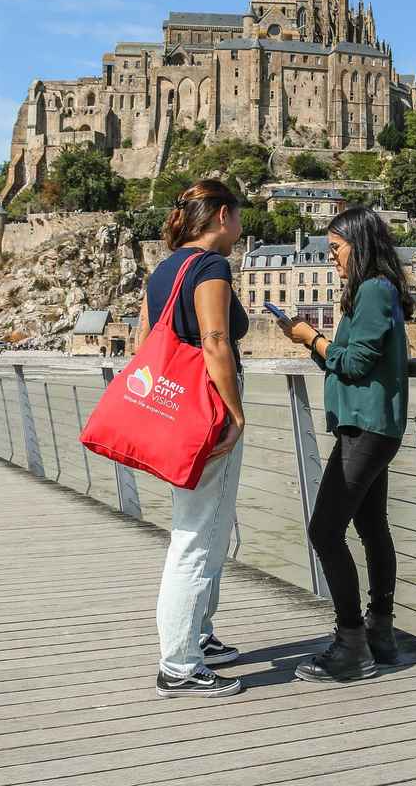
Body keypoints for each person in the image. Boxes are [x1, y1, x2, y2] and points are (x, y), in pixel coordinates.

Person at [276, 205, 413, 683]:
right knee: (372, 527)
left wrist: (310, 335)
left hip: (367, 429)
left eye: (336, 248)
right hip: (368, 424)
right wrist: (309, 344)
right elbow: (348, 364)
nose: (332, 257)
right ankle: (381, 635)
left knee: (324, 531)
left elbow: (353, 365)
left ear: (360, 244)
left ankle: (351, 644)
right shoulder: (375, 291)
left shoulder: (374, 290)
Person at [144, 179, 249, 699]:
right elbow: (214, 339)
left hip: (174, 409)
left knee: (201, 528)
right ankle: (179, 664)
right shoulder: (211, 267)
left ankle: (197, 637)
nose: (242, 229)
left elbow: (149, 340)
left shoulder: (163, 270)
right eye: (239, 218)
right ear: (223, 215)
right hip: (206, 412)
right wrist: (234, 412)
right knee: (196, 535)